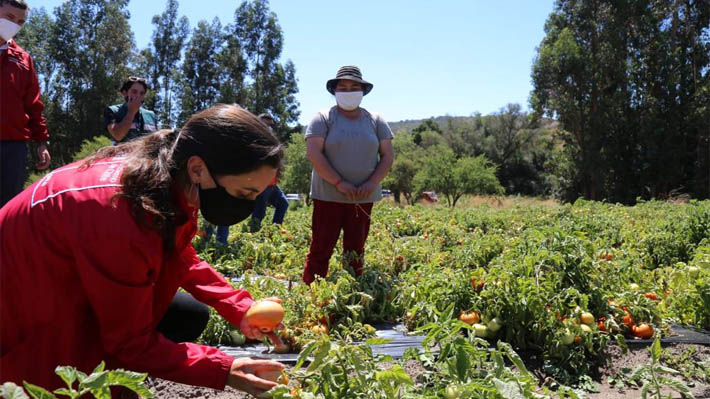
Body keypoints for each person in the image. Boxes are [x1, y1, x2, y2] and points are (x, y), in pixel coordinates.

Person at [1, 104, 287, 397]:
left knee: (188, 315)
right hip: (21, 319)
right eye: (243, 193)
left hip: (58, 281)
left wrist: (240, 307)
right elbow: (128, 343)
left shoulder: (164, 180)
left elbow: (180, 256)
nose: (248, 205)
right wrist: (223, 368)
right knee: (86, 380)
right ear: (198, 169)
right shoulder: (118, 213)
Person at [302, 66, 394, 284]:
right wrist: (339, 182)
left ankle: (352, 292)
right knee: (321, 247)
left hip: (363, 197)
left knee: (356, 249)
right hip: (328, 196)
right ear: (334, 90)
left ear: (363, 91)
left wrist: (372, 182)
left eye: (354, 87)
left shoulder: (376, 120)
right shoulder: (322, 118)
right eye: (342, 87)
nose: (348, 90)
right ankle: (311, 293)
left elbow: (387, 156)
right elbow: (314, 153)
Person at [0, 0, 51, 208]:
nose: (14, 24)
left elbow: (34, 105)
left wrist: (41, 142)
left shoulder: (23, 59)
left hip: (13, 147)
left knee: (8, 211)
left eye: (20, 22)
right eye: (9, 17)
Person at [249, 113, 289, 232]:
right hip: (261, 184)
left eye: (270, 126)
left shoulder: (271, 141)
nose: (268, 128)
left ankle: (274, 231)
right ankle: (253, 235)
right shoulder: (256, 141)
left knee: (283, 204)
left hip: (272, 184)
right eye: (265, 125)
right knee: (259, 213)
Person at [105, 76, 158, 144]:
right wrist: (131, 112)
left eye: (142, 93)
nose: (138, 96)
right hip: (122, 153)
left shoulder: (151, 115)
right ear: (125, 93)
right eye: (134, 92)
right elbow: (117, 136)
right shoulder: (112, 111)